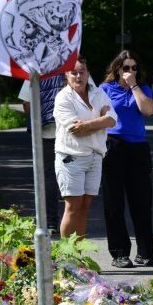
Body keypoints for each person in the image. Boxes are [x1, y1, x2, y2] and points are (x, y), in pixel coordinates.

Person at [100, 50, 153, 268]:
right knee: (114, 202)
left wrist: (133, 85)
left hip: (138, 149)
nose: (130, 71)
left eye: (134, 68)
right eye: (126, 68)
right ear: (117, 69)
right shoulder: (105, 89)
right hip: (113, 147)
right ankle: (119, 253)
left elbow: (147, 110)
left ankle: (146, 252)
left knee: (142, 201)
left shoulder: (141, 88)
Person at [52, 56, 116, 238]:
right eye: (74, 73)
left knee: (85, 207)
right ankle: (66, 258)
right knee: (72, 206)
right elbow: (75, 129)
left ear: (88, 73)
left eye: (82, 72)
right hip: (71, 157)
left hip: (95, 156)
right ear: (66, 74)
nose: (78, 76)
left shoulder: (98, 93)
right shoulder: (63, 98)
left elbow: (113, 119)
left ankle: (77, 259)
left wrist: (90, 124)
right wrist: (101, 120)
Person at [19, 73, 65, 233]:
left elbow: (26, 103)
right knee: (71, 175)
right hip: (71, 131)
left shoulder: (36, 69)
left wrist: (35, 122)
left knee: (48, 176)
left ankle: (50, 222)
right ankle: (72, 221)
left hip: (45, 132)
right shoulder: (72, 67)